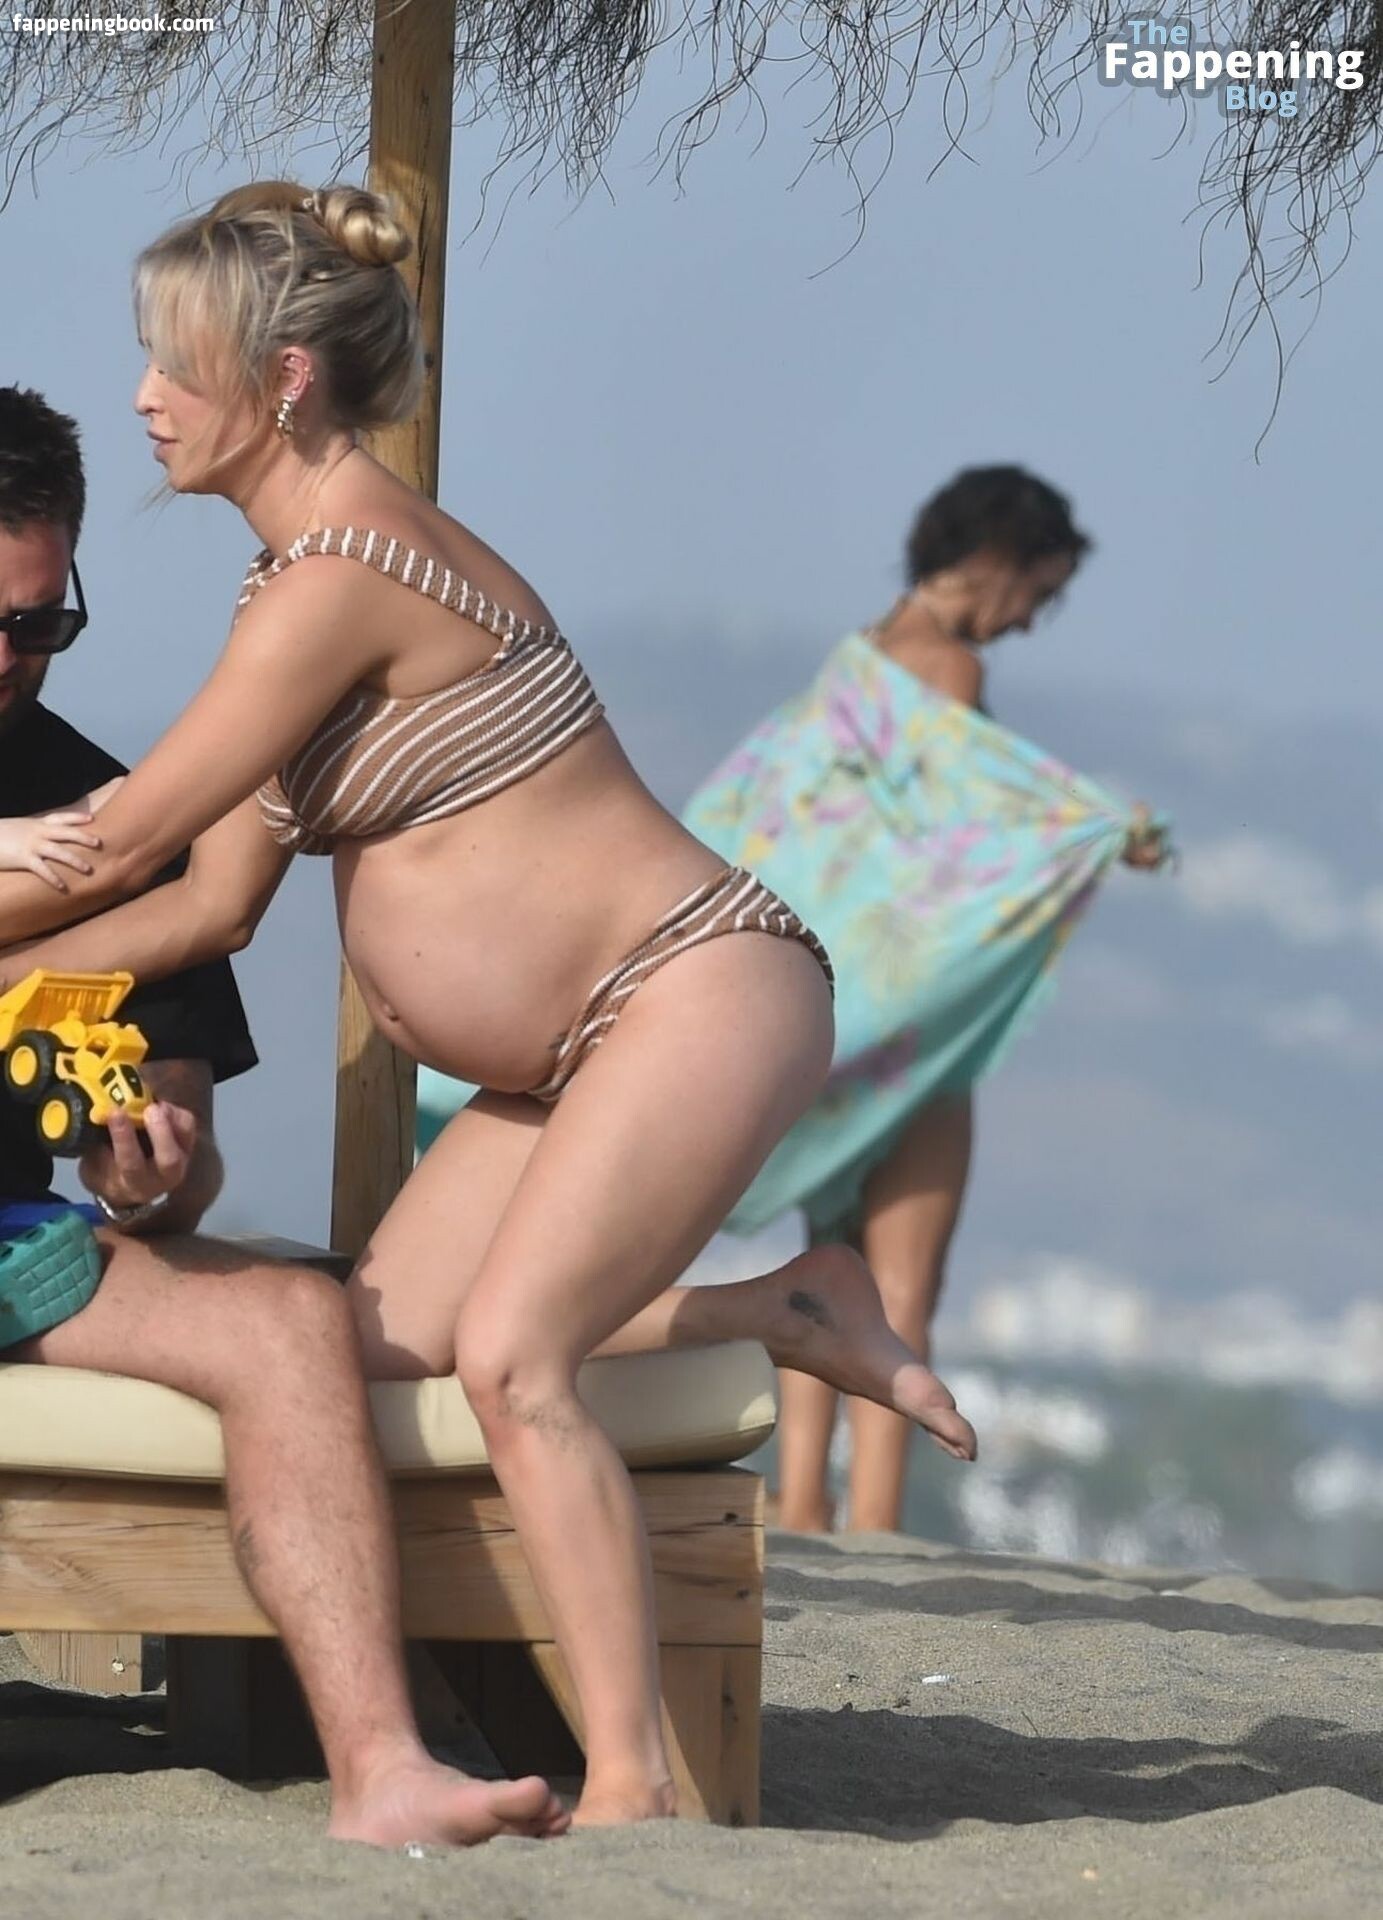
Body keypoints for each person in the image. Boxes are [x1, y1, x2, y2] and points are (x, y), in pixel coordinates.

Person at [0, 183, 976, 1827]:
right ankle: (780, 1307)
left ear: (281, 378)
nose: (146, 398)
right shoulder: (282, 599)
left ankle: (632, 1787)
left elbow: (130, 840)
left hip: (683, 989)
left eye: (173, 361)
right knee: (377, 1346)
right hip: (564, 1056)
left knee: (517, 1359)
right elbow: (211, 901)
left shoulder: (343, 580)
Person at [0, 383, 569, 1847]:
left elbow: (175, 1149)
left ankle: (380, 1768)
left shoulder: (116, 817)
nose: (4, 659)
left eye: (38, 624)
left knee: (291, 1323)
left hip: (12, 1240)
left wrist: (150, 1174)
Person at [683, 466, 1169, 1533]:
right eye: (1040, 592)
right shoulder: (947, 670)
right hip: (903, 1029)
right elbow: (967, 833)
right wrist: (1102, 831)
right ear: (997, 561)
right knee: (903, 1287)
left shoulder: (854, 663)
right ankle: (876, 1520)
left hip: (829, 1022)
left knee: (828, 1267)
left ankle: (802, 1502)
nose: (1031, 621)